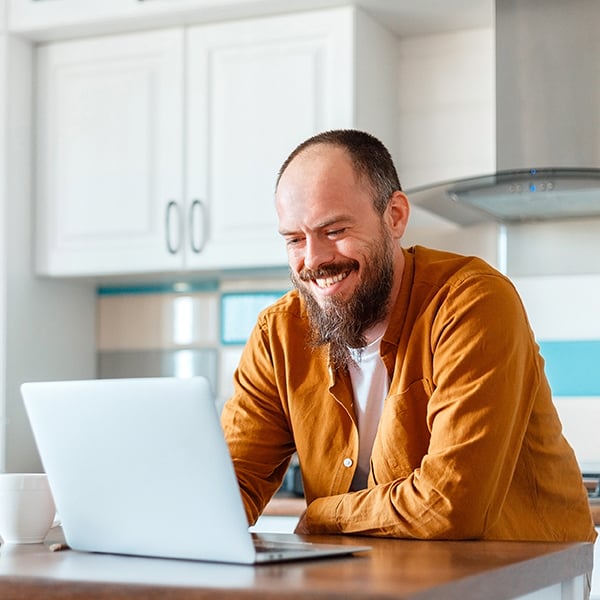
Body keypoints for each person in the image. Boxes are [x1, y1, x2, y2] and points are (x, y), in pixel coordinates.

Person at [220, 129, 596, 543]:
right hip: (378, 575)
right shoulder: (279, 333)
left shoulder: (472, 303)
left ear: (395, 216)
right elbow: (223, 489)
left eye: (334, 230)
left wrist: (323, 513)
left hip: (525, 580)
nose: (313, 260)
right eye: (294, 239)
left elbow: (449, 504)